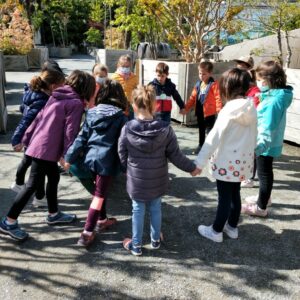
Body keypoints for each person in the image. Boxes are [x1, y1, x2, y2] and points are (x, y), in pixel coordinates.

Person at [0, 70, 96, 241]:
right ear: (85, 88)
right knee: (31, 185)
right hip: (46, 149)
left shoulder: (56, 95)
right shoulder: (75, 103)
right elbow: (70, 132)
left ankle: (53, 214)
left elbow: (39, 118)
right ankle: (9, 221)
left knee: (53, 178)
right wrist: (68, 156)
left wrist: (26, 137)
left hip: (40, 145)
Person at [118, 85, 197, 256]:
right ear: (155, 106)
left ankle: (136, 245)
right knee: (155, 207)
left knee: (137, 209)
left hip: (136, 178)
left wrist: (128, 170)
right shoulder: (166, 129)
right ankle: (155, 240)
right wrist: (192, 168)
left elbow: (121, 152)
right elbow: (176, 155)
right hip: (158, 177)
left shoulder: (127, 128)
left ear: (133, 106)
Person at [195, 68, 257, 243]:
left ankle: (215, 231)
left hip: (225, 162)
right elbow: (255, 135)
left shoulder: (228, 110)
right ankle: (232, 227)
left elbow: (213, 137)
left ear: (228, 87)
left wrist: (199, 162)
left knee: (224, 198)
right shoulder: (251, 107)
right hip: (241, 162)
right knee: (235, 194)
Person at [63, 80, 128, 247]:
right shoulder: (121, 117)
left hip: (90, 160)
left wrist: (69, 157)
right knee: (98, 196)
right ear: (119, 96)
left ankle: (102, 220)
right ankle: (87, 232)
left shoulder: (91, 113)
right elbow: (124, 144)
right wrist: (127, 165)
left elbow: (81, 138)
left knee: (100, 192)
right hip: (107, 163)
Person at [242, 61, 293, 217]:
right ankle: (264, 197)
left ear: (266, 80)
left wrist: (257, 148)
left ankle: (261, 207)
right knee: (265, 173)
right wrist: (261, 95)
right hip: (267, 142)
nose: (257, 83)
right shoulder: (275, 95)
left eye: (258, 79)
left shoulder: (274, 101)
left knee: (264, 174)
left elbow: (268, 127)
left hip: (265, 144)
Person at [10, 69, 65, 208]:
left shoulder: (33, 94)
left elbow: (23, 110)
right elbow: (26, 120)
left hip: (34, 139)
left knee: (40, 173)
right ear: (53, 86)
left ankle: (39, 197)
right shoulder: (42, 101)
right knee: (38, 176)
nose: (63, 88)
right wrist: (17, 140)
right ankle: (35, 197)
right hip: (35, 140)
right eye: (62, 85)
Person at [182, 61, 222, 154]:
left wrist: (219, 110)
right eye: (200, 73)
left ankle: (210, 149)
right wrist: (186, 108)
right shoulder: (198, 84)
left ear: (210, 73)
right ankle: (201, 145)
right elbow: (192, 98)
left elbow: (218, 98)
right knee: (201, 130)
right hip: (200, 111)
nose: (201, 76)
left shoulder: (213, 84)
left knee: (210, 131)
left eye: (204, 74)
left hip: (209, 113)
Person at [234, 56, 260, 188]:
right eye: (238, 63)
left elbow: (253, 110)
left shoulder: (254, 90)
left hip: (250, 126)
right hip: (240, 125)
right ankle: (244, 174)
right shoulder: (239, 87)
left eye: (242, 64)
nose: (239, 66)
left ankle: (250, 178)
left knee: (252, 152)